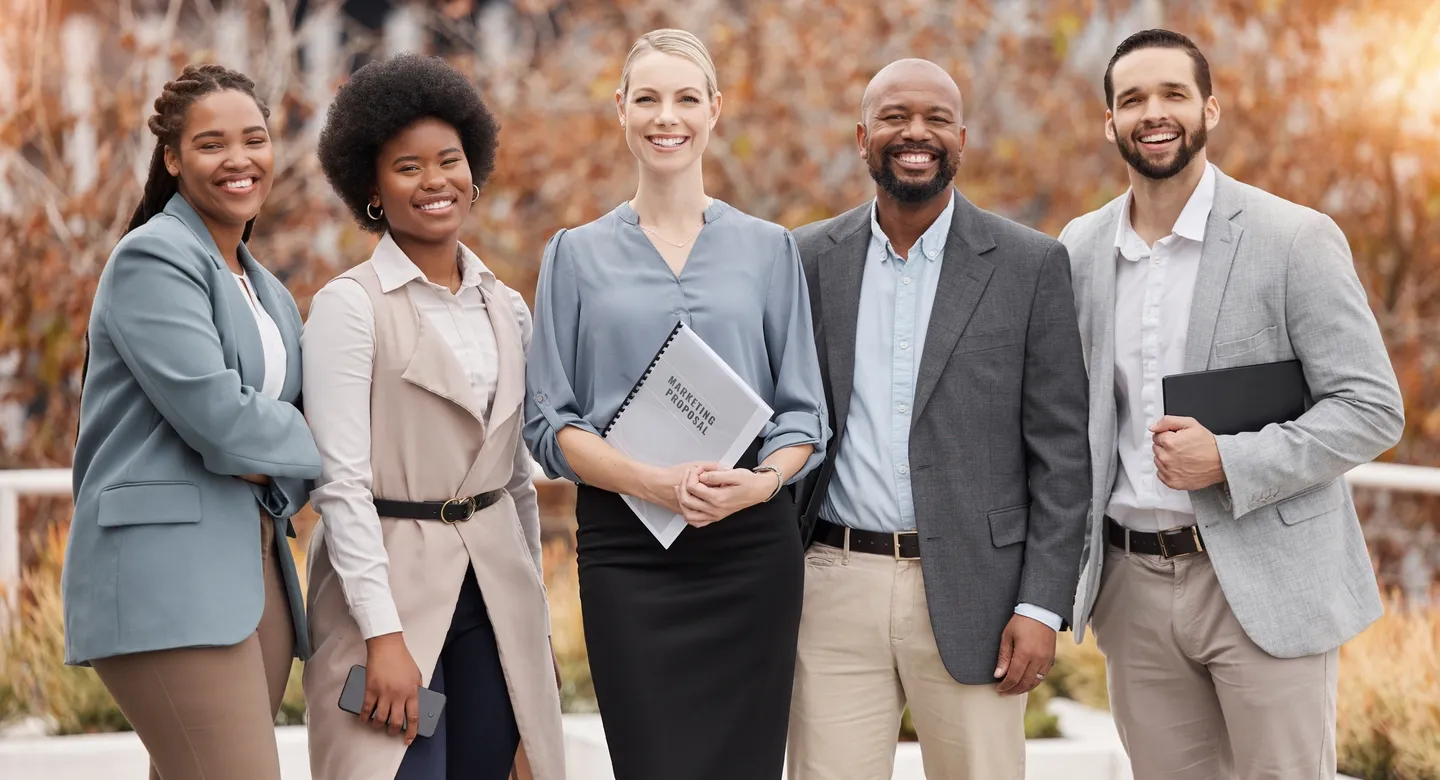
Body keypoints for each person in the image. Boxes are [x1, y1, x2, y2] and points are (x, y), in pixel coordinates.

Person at [1061, 29, 1406, 779]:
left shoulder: (1294, 238)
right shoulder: (1079, 250)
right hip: (1131, 587)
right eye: (1132, 99)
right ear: (1109, 122)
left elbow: (1373, 407)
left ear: (1210, 109)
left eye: (1173, 94)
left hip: (1265, 578)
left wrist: (1230, 458)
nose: (1153, 113)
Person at [523, 28, 828, 780]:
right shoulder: (574, 253)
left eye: (687, 98)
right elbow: (549, 423)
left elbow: (802, 414)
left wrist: (761, 484)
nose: (669, 116)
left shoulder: (768, 248)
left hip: (749, 548)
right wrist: (652, 484)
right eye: (649, 99)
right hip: (628, 554)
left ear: (716, 109)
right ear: (620, 110)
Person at [786, 58, 1091, 780]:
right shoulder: (803, 259)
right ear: (863, 137)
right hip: (831, 582)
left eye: (934, 119)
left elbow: (1062, 456)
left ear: (963, 137)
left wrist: (1042, 606)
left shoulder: (1031, 265)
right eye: (894, 117)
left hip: (980, 596)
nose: (914, 133)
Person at [301, 52, 563, 780]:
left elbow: (514, 483)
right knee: (399, 769)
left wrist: (532, 631)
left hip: (493, 592)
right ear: (373, 190)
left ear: (474, 172)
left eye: (448, 161)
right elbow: (340, 484)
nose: (434, 181)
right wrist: (382, 637)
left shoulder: (506, 306)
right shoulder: (348, 307)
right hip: (387, 589)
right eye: (407, 167)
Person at [63, 64, 322, 780]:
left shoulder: (262, 283)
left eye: (255, 139)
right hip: (166, 574)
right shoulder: (153, 257)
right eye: (212, 144)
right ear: (173, 158)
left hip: (252, 567)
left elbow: (269, 424)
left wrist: (277, 453)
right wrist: (336, 451)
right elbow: (221, 422)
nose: (239, 160)